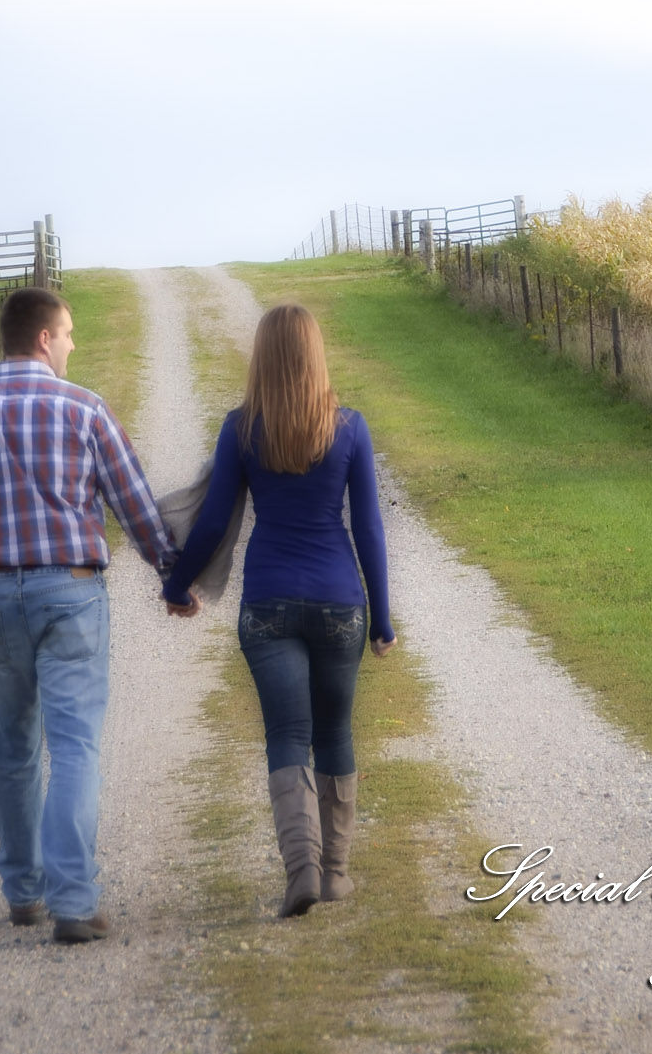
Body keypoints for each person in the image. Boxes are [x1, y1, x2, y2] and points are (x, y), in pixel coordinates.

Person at [0, 284, 195, 944]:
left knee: (11, 749)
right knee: (73, 746)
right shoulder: (84, 409)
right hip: (69, 591)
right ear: (44, 337)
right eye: (68, 333)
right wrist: (173, 576)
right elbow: (134, 505)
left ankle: (23, 890)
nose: (72, 344)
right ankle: (73, 900)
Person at [162, 303, 395, 916]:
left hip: (268, 602)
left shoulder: (242, 428)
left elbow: (214, 520)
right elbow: (368, 528)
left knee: (287, 734)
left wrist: (177, 583)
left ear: (261, 357)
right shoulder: (350, 428)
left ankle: (301, 872)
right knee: (335, 731)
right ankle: (336, 872)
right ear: (316, 354)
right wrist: (384, 620)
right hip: (340, 604)